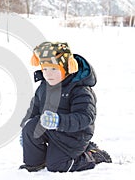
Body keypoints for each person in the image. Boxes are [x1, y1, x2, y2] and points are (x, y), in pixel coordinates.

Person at [19, 42, 112, 172]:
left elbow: (85, 117)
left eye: (53, 69)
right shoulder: (44, 85)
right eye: (44, 69)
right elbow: (36, 106)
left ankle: (92, 154)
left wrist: (59, 121)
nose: (48, 74)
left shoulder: (80, 89)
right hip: (51, 130)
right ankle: (36, 163)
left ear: (67, 68)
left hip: (73, 135)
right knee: (31, 128)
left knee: (57, 166)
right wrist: (27, 124)